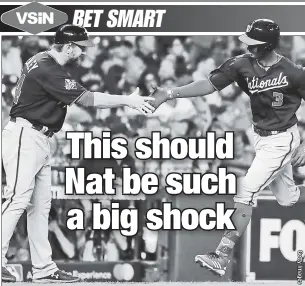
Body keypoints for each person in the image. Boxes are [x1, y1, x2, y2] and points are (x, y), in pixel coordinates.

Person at [149, 19, 305, 276]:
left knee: (246, 191)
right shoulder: (241, 64)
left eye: (254, 43)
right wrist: (170, 93)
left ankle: (221, 255)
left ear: (269, 44)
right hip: (261, 139)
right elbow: (209, 85)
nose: (248, 46)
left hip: (282, 139)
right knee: (288, 199)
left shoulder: (294, 72)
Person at [1, 24, 155, 283]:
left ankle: (44, 269)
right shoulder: (48, 68)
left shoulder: (42, 61)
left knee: (40, 207)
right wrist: (127, 100)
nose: (83, 53)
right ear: (69, 46)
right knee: (16, 199)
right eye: (81, 48)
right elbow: (87, 99)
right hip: (25, 136)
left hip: (39, 137)